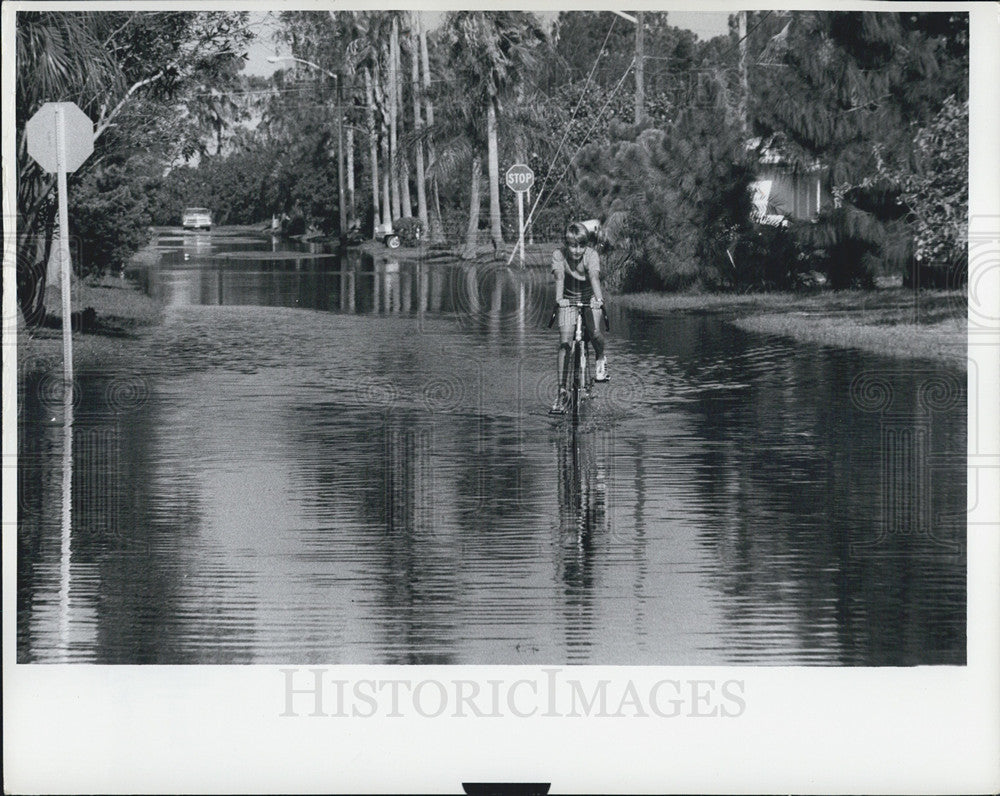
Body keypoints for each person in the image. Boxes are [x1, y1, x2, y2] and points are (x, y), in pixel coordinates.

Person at [550, 220, 608, 413]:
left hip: (590, 298)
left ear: (586, 244)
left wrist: (598, 299)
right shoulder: (559, 255)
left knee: (596, 333)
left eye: (581, 245)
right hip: (568, 300)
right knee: (565, 341)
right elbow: (559, 277)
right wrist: (559, 299)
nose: (577, 250)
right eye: (573, 245)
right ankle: (561, 391)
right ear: (566, 244)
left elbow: (594, 277)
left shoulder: (591, 255)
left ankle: (600, 357)